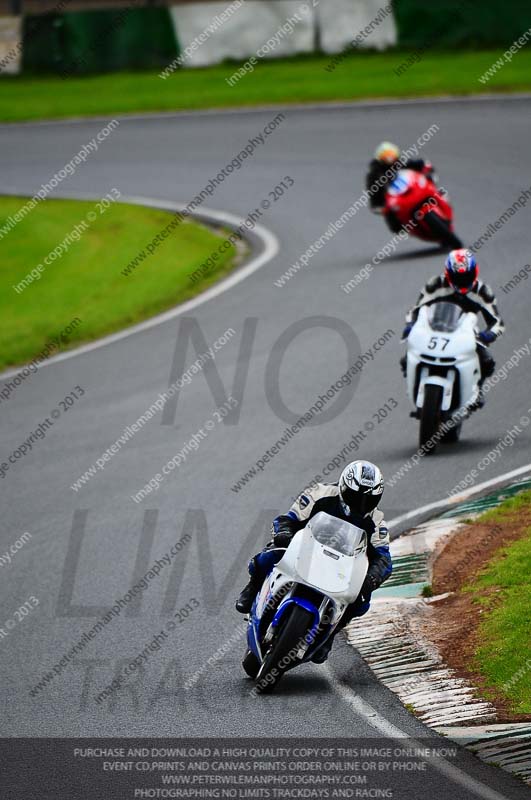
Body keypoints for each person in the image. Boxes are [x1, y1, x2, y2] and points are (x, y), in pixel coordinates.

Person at [235, 460, 392, 663]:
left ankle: (331, 633)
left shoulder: (377, 521)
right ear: (344, 486)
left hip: (342, 566)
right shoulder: (320, 493)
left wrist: (371, 578)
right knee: (274, 552)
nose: (361, 505)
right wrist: (284, 533)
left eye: (368, 500)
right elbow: (287, 519)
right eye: (356, 497)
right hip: (306, 551)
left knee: (362, 600)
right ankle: (252, 587)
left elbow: (384, 559)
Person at [401, 249, 505, 406]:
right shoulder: (435, 285)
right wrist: (410, 325)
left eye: (466, 277)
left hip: (466, 334)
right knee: (406, 358)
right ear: (449, 274)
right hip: (434, 329)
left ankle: (477, 389)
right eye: (458, 277)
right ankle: (414, 386)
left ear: (474, 272)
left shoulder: (483, 292)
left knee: (487, 362)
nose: (463, 282)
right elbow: (414, 310)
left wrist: (487, 335)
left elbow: (497, 322)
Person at [366, 141, 435, 232]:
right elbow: (373, 191)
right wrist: (377, 205)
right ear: (379, 157)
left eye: (391, 154)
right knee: (390, 212)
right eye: (386, 155)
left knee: (430, 189)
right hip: (393, 197)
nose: (389, 157)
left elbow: (416, 164)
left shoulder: (400, 164)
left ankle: (437, 201)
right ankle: (399, 227)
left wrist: (425, 166)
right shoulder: (374, 172)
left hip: (411, 188)